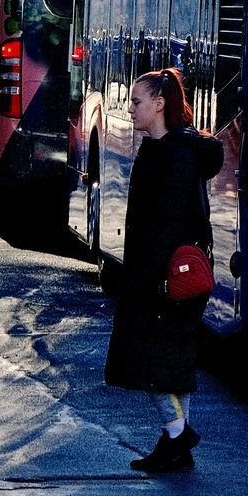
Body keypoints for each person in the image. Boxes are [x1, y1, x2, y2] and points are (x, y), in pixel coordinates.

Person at [105, 68, 223, 474]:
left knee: (150, 361)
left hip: (165, 277)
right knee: (173, 361)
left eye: (137, 102)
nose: (130, 109)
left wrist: (148, 279)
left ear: (159, 104)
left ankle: (178, 434)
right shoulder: (174, 150)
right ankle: (176, 447)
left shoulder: (172, 155)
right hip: (178, 273)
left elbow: (168, 223)